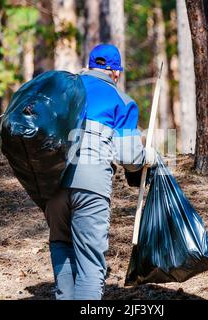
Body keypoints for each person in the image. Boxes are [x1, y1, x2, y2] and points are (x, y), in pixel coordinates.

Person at [44, 44, 156, 300]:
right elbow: (130, 159)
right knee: (90, 265)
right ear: (115, 73)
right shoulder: (122, 101)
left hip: (52, 183)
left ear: (89, 66)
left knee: (61, 243)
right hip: (91, 186)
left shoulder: (63, 91)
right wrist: (149, 156)